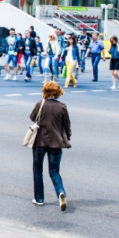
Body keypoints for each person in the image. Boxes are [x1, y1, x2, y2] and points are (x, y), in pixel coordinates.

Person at [29, 81, 71, 211]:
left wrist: (42, 102)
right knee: (54, 171)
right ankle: (60, 192)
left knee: (37, 169)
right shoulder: (62, 107)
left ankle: (39, 198)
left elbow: (32, 117)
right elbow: (67, 126)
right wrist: (67, 138)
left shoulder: (40, 104)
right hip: (56, 143)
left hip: (40, 141)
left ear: (45, 92)